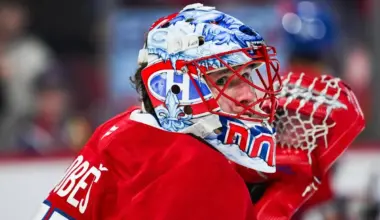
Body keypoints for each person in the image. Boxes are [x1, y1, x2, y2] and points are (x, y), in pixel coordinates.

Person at [34, 3, 364, 220]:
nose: (250, 93)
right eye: (226, 80)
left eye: (248, 75)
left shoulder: (119, 131)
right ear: (173, 88)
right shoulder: (202, 170)